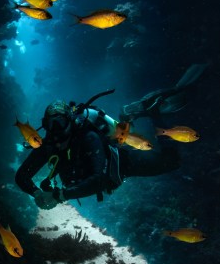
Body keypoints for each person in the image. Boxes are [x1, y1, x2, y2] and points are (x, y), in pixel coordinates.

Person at [15, 64, 207, 209]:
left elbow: (98, 179)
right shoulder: (48, 145)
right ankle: (130, 118)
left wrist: (59, 196)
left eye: (61, 123)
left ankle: (154, 113)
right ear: (45, 125)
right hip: (91, 178)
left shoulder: (88, 137)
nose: (57, 130)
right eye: (52, 124)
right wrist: (37, 193)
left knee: (172, 162)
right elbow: (21, 176)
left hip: (123, 164)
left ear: (71, 121)